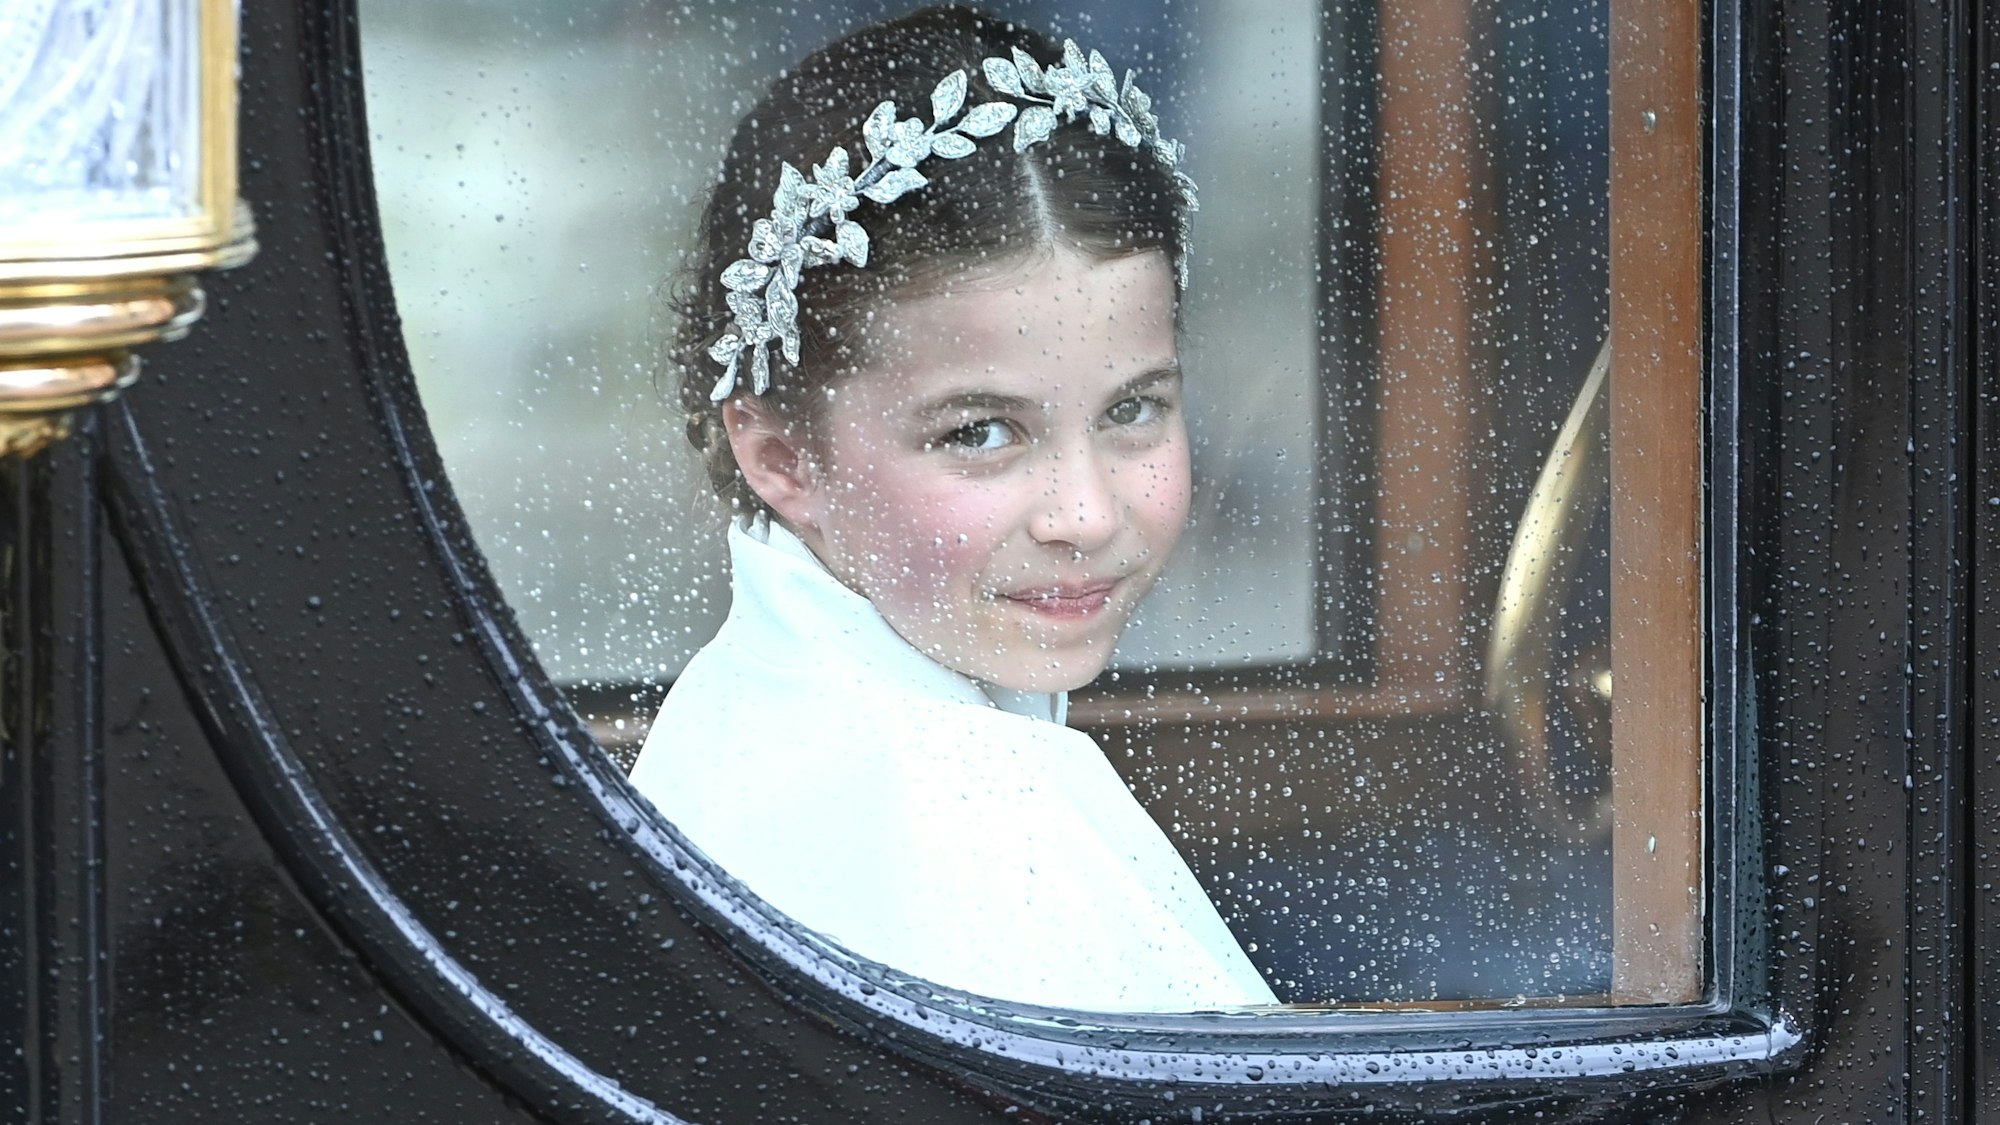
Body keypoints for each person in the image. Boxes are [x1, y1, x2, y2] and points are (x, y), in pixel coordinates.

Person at [628, 5, 1276, 1012]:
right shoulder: (950, 830)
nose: (1084, 515)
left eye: (1133, 410)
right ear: (781, 454)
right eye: (980, 433)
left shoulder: (774, 706)